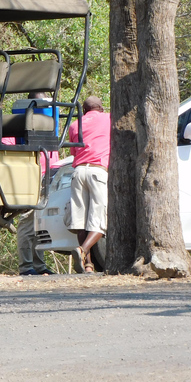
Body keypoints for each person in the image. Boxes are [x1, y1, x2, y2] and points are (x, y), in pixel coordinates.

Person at [4, 91, 58, 276]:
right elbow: (8, 147)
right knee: (28, 222)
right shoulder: (21, 127)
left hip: (46, 176)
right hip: (31, 177)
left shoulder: (50, 128)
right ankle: (26, 266)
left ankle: (38, 264)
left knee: (39, 221)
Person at [67, 95, 111, 273]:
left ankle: (88, 265)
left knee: (80, 220)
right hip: (98, 171)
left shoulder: (74, 125)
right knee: (99, 220)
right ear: (101, 108)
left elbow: (73, 151)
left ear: (84, 111)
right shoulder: (109, 118)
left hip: (78, 172)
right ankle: (82, 250)